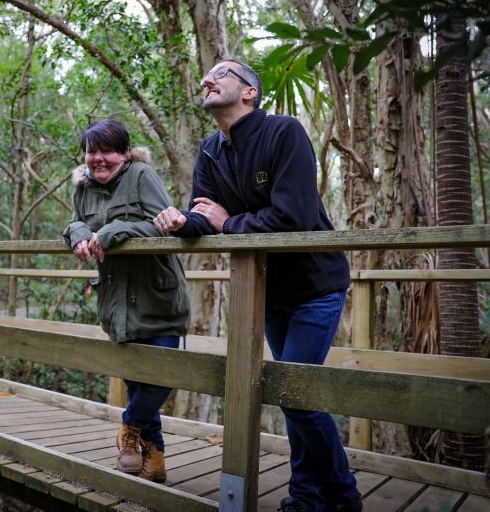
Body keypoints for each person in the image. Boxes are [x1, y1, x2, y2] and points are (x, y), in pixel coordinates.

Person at [153, 59, 361, 512]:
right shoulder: (211, 150)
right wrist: (178, 220)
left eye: (221, 73)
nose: (207, 78)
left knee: (295, 395)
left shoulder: (284, 133)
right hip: (266, 292)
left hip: (315, 284)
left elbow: (294, 217)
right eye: (206, 74)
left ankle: (343, 497)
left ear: (249, 92)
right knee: (291, 395)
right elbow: (202, 216)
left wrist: (227, 223)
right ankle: (307, 498)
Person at [63, 119, 190, 483]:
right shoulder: (83, 186)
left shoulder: (141, 175)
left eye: (107, 152)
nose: (98, 159)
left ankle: (128, 426)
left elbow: (165, 224)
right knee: (137, 382)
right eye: (91, 152)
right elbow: (74, 222)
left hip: (158, 295)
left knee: (162, 374)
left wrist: (113, 231)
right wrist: (80, 233)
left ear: (124, 152)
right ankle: (156, 461)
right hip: (117, 301)